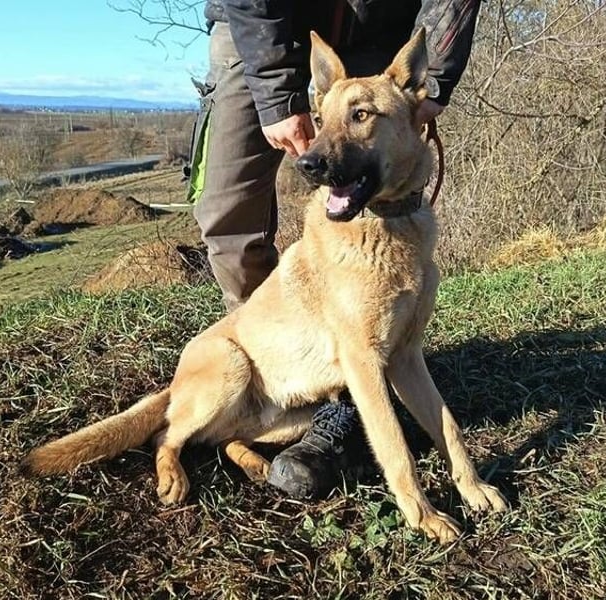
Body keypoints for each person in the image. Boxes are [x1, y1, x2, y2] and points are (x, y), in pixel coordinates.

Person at [188, 0, 484, 499]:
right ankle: (270, 376)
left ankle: (343, 406)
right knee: (226, 211)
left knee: (370, 336)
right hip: (256, 29)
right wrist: (279, 94)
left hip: (376, 22)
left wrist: (437, 81)